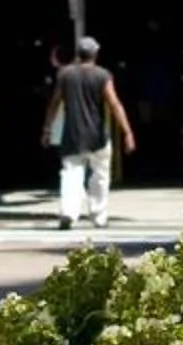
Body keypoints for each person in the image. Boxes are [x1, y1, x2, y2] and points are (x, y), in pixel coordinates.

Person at [49, 35, 136, 231]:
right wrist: (127, 131)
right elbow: (114, 104)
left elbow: (54, 103)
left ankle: (69, 212)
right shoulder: (102, 75)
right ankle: (98, 215)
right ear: (95, 54)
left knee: (70, 173)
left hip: (72, 134)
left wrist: (47, 128)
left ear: (78, 54)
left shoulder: (65, 75)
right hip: (97, 134)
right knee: (100, 175)